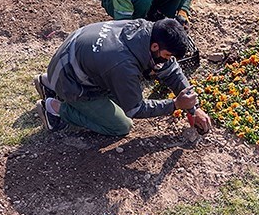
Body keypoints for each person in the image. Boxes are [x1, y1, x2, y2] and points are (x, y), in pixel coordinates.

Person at [33, 17, 212, 136]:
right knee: (120, 125)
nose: (168, 61)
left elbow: (171, 70)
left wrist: (193, 108)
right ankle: (53, 108)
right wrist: (175, 104)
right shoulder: (123, 65)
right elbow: (135, 109)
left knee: (127, 88)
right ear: (156, 47)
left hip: (71, 61)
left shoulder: (146, 30)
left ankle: (48, 82)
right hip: (70, 80)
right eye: (167, 55)